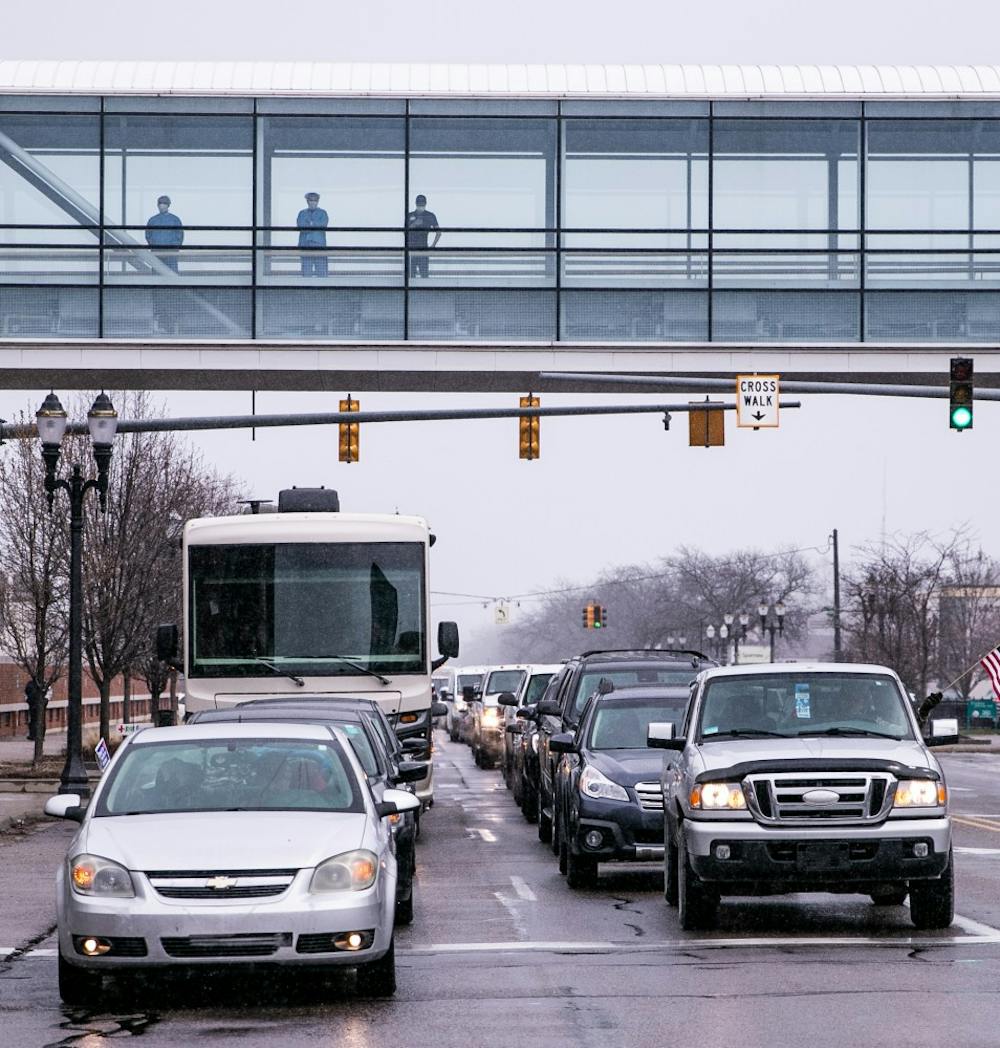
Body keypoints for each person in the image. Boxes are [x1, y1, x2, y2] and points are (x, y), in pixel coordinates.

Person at [144, 195, 184, 272]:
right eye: (160, 204)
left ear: (168, 205)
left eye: (164, 204)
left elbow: (180, 236)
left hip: (170, 254)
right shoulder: (153, 220)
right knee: (158, 276)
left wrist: (173, 249)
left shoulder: (175, 220)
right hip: (158, 253)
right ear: (158, 205)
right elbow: (148, 235)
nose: (162, 206)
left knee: (171, 276)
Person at [406, 194, 440, 279]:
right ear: (416, 204)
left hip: (423, 249)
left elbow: (438, 232)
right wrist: (414, 224)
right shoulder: (410, 215)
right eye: (419, 205)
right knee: (410, 276)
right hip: (411, 250)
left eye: (422, 205)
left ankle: (424, 291)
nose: (420, 206)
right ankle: (410, 292)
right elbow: (405, 232)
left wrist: (433, 246)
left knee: (424, 275)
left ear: (425, 204)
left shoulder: (429, 215)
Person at [297, 192, 329, 277]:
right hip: (305, 245)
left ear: (317, 201)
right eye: (310, 200)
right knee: (306, 272)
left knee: (321, 272)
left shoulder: (323, 213)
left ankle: (323, 289)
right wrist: (314, 224)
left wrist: (311, 224)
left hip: (319, 245)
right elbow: (301, 226)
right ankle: (306, 289)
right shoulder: (302, 213)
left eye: (315, 200)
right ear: (307, 201)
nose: (313, 202)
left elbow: (323, 225)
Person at [25, 677, 43, 742]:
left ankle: (37, 735)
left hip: (38, 704)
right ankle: (33, 735)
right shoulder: (31, 684)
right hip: (33, 704)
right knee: (34, 720)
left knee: (37, 720)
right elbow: (26, 692)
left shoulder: (41, 683)